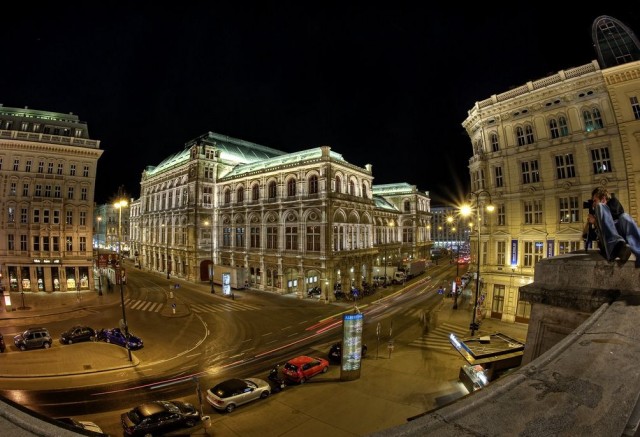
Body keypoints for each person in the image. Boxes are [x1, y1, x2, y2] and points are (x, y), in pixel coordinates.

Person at [590, 187, 640, 267]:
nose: (593, 204)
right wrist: (595, 224)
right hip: (609, 244)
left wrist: (597, 220)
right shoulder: (596, 214)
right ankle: (616, 248)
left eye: (594, 201)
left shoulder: (613, 203)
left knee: (625, 216)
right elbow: (591, 237)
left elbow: (617, 217)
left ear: (603, 199)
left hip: (621, 239)